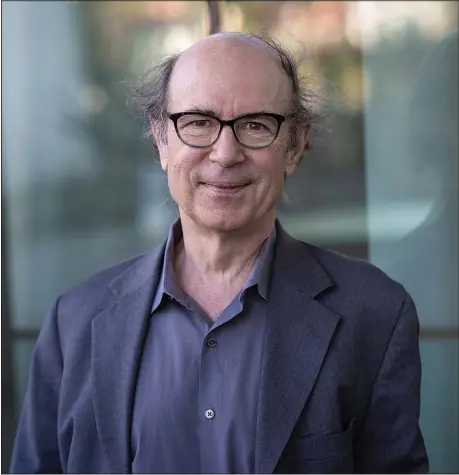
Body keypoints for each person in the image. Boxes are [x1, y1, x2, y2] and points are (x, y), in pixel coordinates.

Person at [10, 32, 428, 474]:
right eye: (197, 122)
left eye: (256, 125)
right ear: (161, 140)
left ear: (296, 145)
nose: (226, 154)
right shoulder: (72, 324)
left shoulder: (375, 314)